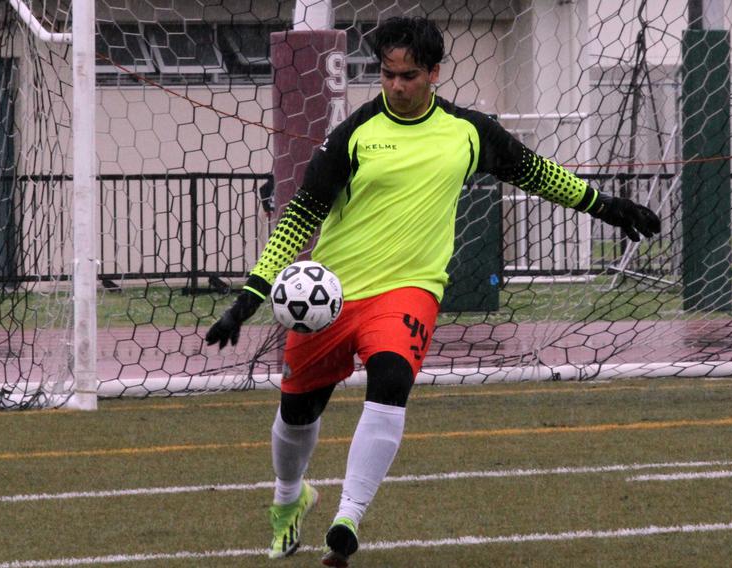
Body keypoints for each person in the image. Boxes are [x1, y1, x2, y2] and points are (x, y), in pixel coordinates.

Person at [206, 16, 660, 567]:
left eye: (408, 75)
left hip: (409, 290)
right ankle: (288, 498)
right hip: (332, 299)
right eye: (387, 74)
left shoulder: (468, 133)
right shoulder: (354, 134)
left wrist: (606, 206)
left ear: (434, 74)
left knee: (392, 377)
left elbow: (536, 172)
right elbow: (300, 215)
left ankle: (348, 518)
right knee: (296, 416)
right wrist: (247, 301)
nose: (396, 86)